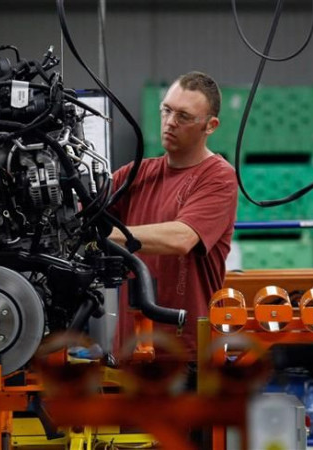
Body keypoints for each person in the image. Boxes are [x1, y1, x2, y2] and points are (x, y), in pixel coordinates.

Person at [109, 71, 238, 359]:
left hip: (186, 354)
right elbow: (78, 217)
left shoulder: (218, 177)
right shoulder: (135, 174)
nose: (169, 123)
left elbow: (181, 238)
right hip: (130, 351)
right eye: (166, 110)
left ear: (210, 125)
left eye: (184, 116)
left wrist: (102, 235)